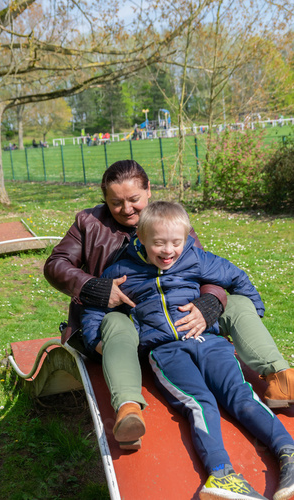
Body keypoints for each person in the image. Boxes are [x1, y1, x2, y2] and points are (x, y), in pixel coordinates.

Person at [43, 160, 294, 421]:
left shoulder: (170, 221)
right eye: (115, 202)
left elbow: (202, 267)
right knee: (118, 324)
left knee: (238, 304)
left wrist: (210, 301)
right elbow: (55, 265)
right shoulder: (89, 222)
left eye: (134, 199)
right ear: (104, 199)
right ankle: (128, 407)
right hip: (121, 329)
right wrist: (94, 288)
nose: (126, 209)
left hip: (176, 321)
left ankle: (281, 376)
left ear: (149, 190)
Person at [81, 201, 294, 500]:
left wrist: (252, 311)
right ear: (140, 238)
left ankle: (288, 450)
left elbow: (237, 277)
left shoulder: (196, 258)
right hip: (166, 353)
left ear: (186, 238)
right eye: (158, 243)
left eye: (176, 243)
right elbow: (95, 308)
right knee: (200, 402)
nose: (168, 251)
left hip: (210, 342)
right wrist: (95, 341)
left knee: (241, 394)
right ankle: (221, 474)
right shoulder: (122, 270)